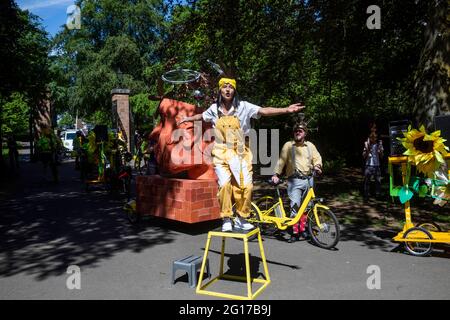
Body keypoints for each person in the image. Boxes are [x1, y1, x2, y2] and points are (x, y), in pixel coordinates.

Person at [178, 77, 304, 232]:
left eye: (231, 87)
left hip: (240, 151)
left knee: (246, 186)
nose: (228, 89)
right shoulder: (213, 109)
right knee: (224, 185)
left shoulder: (244, 106)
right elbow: (201, 116)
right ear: (220, 90)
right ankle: (226, 218)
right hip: (220, 150)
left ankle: (241, 218)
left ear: (234, 90)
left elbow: (263, 111)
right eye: (225, 87)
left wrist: (286, 109)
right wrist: (187, 119)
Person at [271, 121, 322, 242]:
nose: (298, 133)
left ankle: (302, 230)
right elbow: (281, 160)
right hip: (295, 180)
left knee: (306, 207)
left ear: (305, 133)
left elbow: (317, 157)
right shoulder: (288, 145)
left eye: (300, 131)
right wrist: (276, 174)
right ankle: (295, 232)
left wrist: (318, 166)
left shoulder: (310, 146)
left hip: (309, 180)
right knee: (295, 206)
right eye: (296, 131)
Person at [363, 131, 384, 200]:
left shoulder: (378, 145)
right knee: (367, 181)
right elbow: (363, 156)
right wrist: (367, 150)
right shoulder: (367, 144)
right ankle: (366, 195)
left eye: (374, 137)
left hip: (377, 165)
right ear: (369, 138)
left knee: (378, 181)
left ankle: (378, 195)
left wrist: (380, 151)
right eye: (371, 137)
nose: (373, 138)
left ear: (376, 138)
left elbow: (382, 156)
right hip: (368, 165)